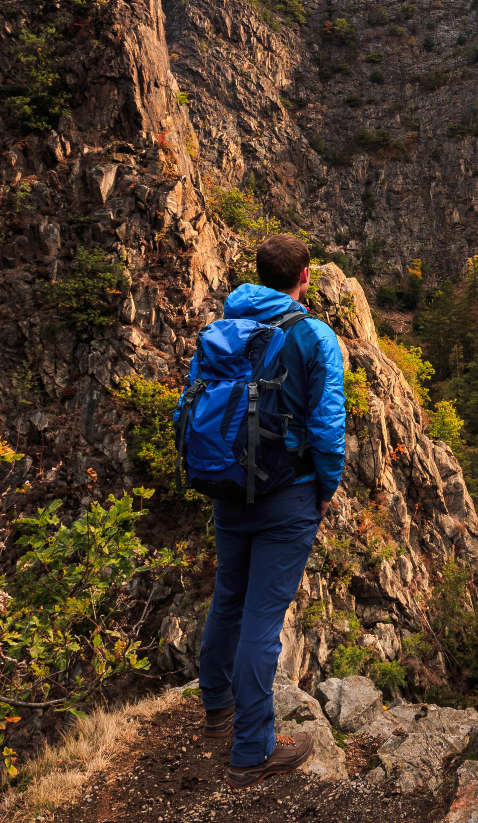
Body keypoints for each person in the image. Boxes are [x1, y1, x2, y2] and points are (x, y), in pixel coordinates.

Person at [195, 234, 346, 785]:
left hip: (228, 488)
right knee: (262, 618)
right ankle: (252, 751)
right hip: (289, 493)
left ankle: (218, 709)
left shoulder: (226, 327)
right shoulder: (314, 335)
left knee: (229, 597)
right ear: (305, 276)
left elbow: (197, 404)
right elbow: (327, 425)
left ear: (259, 275)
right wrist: (327, 486)